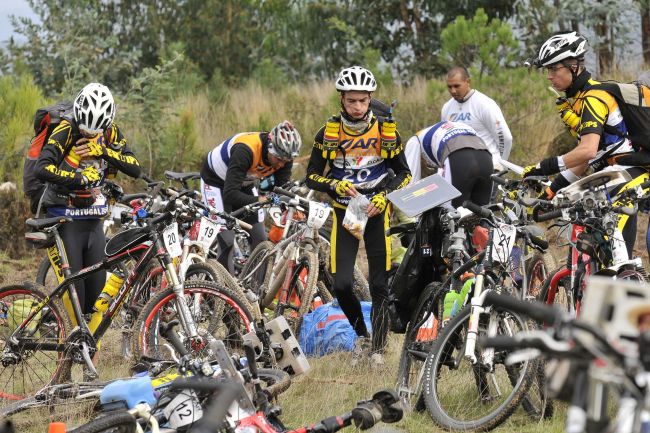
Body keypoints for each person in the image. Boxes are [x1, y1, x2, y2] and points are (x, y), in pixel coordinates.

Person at [306, 66, 412, 367]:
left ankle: (378, 348)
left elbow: (404, 173)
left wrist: (384, 195)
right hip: (345, 212)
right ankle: (362, 337)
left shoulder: (385, 130)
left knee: (379, 283)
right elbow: (311, 176)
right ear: (341, 99)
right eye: (351, 101)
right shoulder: (327, 133)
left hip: (377, 210)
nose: (357, 107)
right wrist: (334, 184)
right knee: (341, 284)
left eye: (363, 101)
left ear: (370, 99)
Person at [522, 31, 648, 257]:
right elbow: (588, 157)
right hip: (618, 173)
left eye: (553, 69)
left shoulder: (594, 97)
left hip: (632, 172)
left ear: (573, 66)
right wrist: (552, 189)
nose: (549, 76)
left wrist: (545, 166)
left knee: (617, 257)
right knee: (602, 252)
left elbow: (587, 149)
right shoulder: (582, 99)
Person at [35, 82, 141, 316]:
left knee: (95, 302)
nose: (89, 134)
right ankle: (67, 345)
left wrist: (102, 151)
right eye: (85, 129)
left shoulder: (111, 131)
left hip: (93, 220)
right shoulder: (66, 128)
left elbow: (135, 168)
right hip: (64, 217)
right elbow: (41, 169)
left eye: (95, 131)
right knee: (76, 298)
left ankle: (85, 351)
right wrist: (80, 178)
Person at [200, 120, 301, 272]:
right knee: (227, 240)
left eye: (286, 161)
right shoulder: (245, 150)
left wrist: (290, 204)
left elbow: (280, 189)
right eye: (279, 159)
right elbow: (230, 195)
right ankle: (223, 290)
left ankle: (256, 290)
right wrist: (261, 200)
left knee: (259, 237)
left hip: (244, 182)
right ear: (271, 147)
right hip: (216, 182)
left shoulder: (284, 156)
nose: (281, 165)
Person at [406, 120, 494, 208]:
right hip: (485, 156)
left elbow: (409, 181)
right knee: (483, 214)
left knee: (451, 213)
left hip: (457, 156)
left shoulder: (414, 140)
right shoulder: (457, 125)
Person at [441, 66, 513, 171]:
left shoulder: (484, 104)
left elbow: (505, 138)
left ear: (468, 82)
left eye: (457, 86)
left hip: (489, 168)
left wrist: (501, 164)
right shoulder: (446, 108)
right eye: (449, 87)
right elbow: (445, 140)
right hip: (461, 170)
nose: (453, 91)